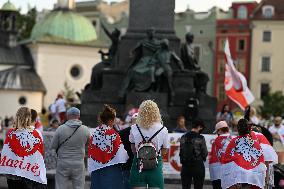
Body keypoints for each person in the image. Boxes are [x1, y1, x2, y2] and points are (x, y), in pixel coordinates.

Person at [0, 107, 47, 189]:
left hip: (13, 174)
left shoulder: (10, 133)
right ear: (29, 118)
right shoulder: (36, 133)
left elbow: (7, 152)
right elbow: (41, 154)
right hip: (29, 174)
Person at [129, 100, 169, 189]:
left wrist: (143, 155)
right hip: (155, 165)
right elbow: (165, 150)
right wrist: (153, 156)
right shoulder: (163, 129)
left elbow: (133, 148)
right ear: (156, 112)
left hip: (138, 164)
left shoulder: (134, 128)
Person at [88, 105, 128, 189]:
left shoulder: (95, 134)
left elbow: (91, 150)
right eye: (114, 120)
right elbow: (122, 154)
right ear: (110, 121)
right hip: (111, 169)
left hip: (97, 168)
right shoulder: (113, 134)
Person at [221, 119, 266, 189]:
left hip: (237, 177)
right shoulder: (255, 143)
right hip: (251, 177)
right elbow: (261, 161)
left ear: (237, 129)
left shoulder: (233, 142)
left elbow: (226, 160)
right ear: (249, 129)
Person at [51, 107, 90, 189]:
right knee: (79, 186)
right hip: (79, 162)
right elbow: (90, 145)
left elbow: (53, 146)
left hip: (63, 162)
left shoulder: (60, 129)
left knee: (60, 186)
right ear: (78, 116)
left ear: (67, 116)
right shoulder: (85, 129)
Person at [180, 120, 208, 189]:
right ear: (199, 127)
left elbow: (181, 151)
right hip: (198, 166)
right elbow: (205, 153)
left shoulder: (183, 137)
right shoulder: (201, 138)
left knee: (185, 187)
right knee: (198, 186)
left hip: (185, 167)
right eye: (201, 128)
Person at [209, 121, 232, 189]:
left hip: (216, 173)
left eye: (217, 132)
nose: (217, 134)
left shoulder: (215, 141)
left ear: (220, 130)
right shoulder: (233, 140)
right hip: (229, 173)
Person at [119, 113, 137, 189]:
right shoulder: (144, 133)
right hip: (138, 164)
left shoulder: (123, 132)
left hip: (126, 163)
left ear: (131, 121)